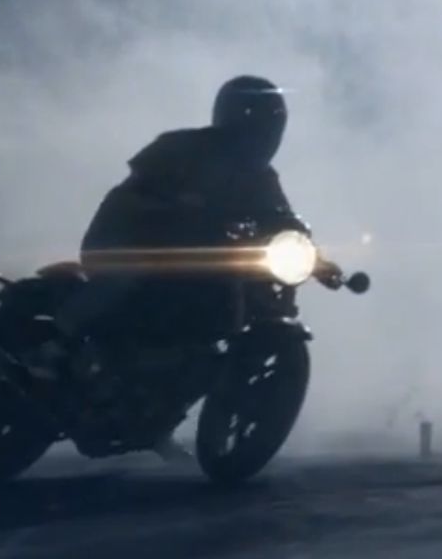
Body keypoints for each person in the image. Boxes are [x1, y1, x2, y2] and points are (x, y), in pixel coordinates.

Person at [19, 75, 309, 380]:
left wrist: (304, 244)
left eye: (268, 122)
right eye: (254, 120)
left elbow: (280, 215)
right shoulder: (183, 145)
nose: (260, 132)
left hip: (193, 259)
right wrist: (173, 202)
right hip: (129, 238)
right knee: (124, 274)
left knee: (251, 290)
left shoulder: (263, 179)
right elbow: (142, 181)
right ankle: (54, 344)